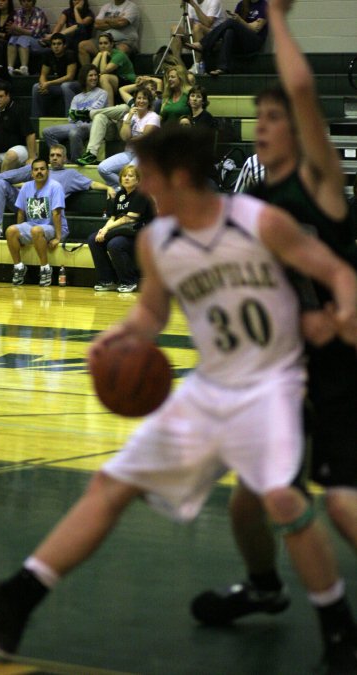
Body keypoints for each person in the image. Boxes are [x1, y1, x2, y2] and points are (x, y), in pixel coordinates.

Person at [0, 126, 357, 670]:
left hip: (275, 384)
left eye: (148, 173)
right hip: (213, 386)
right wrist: (120, 336)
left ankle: (340, 632)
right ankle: (11, 606)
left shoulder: (258, 221)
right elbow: (153, 311)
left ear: (177, 175)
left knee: (279, 500)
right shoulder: (158, 239)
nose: (139, 182)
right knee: (116, 483)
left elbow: (338, 275)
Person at [189, 2, 357, 672]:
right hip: (285, 367)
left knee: (339, 503)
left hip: (336, 363)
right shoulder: (255, 210)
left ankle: (337, 627)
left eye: (274, 120)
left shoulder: (322, 190)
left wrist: (280, 21)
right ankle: (265, 587)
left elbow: (303, 92)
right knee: (249, 502)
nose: (260, 130)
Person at [0, 143, 115, 240]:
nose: (54, 157)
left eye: (58, 155)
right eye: (52, 155)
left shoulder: (70, 175)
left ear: (65, 158)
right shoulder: (40, 170)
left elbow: (92, 183)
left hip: (44, 210)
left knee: (32, 168)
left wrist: (108, 187)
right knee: (2, 183)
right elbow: (25, 184)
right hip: (26, 204)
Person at [88, 164, 153, 293]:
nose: (126, 178)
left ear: (138, 180)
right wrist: (103, 230)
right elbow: (113, 218)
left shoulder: (141, 194)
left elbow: (128, 219)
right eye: (124, 176)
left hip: (141, 233)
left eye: (130, 176)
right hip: (124, 231)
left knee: (115, 244)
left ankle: (129, 281)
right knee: (93, 239)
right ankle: (107, 280)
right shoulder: (120, 195)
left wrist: (107, 230)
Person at [5, 158, 66, 286]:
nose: (39, 172)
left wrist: (58, 237)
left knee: (36, 230)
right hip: (32, 226)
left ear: (47, 171)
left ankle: (45, 269)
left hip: (51, 226)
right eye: (36, 169)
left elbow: (57, 213)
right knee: (11, 230)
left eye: (42, 169)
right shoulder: (26, 187)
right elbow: (21, 212)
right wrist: (19, 234)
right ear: (32, 173)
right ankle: (19, 267)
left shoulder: (55, 186)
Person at [76, 77, 159, 167]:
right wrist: (138, 85)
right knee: (100, 117)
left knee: (125, 108)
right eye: (146, 88)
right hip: (121, 129)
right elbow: (122, 89)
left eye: (152, 89)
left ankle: (88, 114)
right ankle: (91, 154)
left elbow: (159, 82)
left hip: (140, 145)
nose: (149, 91)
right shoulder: (136, 102)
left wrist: (148, 78)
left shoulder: (159, 102)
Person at [41, 65, 107, 162]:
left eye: (95, 75)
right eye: (90, 75)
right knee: (47, 132)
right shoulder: (77, 98)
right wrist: (83, 114)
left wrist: (80, 114)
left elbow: (93, 113)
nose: (94, 78)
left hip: (92, 125)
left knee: (74, 133)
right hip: (76, 125)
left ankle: (76, 162)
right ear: (84, 78)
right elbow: (71, 117)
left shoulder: (102, 93)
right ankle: (63, 161)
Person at [97, 86, 160, 188]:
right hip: (129, 153)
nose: (141, 101)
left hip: (145, 155)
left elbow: (144, 139)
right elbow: (123, 137)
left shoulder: (154, 117)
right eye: (139, 98)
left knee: (129, 172)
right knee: (102, 168)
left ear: (149, 101)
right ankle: (122, 188)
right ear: (135, 100)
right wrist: (129, 118)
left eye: (144, 98)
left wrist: (130, 139)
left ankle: (126, 190)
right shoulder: (129, 116)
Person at [187, 0, 268, 76]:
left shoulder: (264, 5)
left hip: (254, 42)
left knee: (231, 22)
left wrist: (240, 21)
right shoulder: (242, 4)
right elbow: (238, 26)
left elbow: (256, 29)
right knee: (229, 31)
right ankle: (222, 68)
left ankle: (203, 44)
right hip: (241, 43)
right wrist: (244, 23)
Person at [78, 0, 139, 66]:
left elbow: (121, 23)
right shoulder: (106, 7)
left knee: (120, 51)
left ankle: (114, 75)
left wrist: (106, 20)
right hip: (105, 40)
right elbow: (97, 25)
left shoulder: (131, 7)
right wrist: (115, 21)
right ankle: (88, 72)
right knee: (82, 45)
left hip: (124, 41)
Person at [30, 32, 77, 118]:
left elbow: (70, 77)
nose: (56, 46)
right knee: (36, 87)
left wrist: (49, 83)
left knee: (65, 86)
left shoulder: (70, 54)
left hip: (74, 85)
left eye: (59, 44)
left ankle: (69, 118)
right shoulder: (49, 55)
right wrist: (43, 85)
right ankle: (37, 120)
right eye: (54, 44)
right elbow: (43, 74)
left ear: (64, 45)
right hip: (59, 85)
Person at [91, 31, 135, 107]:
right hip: (115, 80)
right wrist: (99, 55)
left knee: (104, 77)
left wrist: (104, 54)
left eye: (105, 43)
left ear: (111, 44)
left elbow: (103, 71)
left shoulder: (119, 55)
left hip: (128, 81)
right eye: (100, 43)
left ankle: (110, 107)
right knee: (91, 78)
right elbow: (91, 70)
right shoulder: (100, 53)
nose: (103, 46)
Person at [6, 0, 49, 77]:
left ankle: (24, 69)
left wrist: (17, 29)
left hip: (40, 43)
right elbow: (16, 32)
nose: (26, 3)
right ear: (21, 2)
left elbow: (35, 33)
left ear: (33, 2)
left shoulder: (39, 13)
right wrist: (15, 30)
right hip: (25, 41)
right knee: (13, 38)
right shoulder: (18, 13)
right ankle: (10, 69)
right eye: (24, 1)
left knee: (23, 38)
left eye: (29, 1)